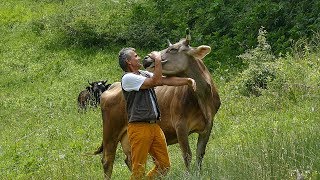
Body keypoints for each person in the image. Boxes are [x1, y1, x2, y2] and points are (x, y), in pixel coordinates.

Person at [118, 47, 196, 180]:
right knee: (138, 170)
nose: (139, 57)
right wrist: (158, 59)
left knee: (164, 166)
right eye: (135, 56)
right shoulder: (128, 78)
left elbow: (163, 80)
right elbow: (155, 81)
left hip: (155, 126)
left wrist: (187, 81)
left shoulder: (141, 73)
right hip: (139, 128)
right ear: (128, 62)